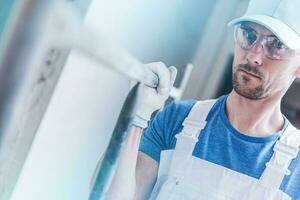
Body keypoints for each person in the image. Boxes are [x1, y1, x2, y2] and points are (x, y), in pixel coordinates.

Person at [106, 0, 300, 199]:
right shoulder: (178, 119)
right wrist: (136, 115)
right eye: (249, 35)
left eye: (277, 45)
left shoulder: (297, 166)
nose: (253, 56)